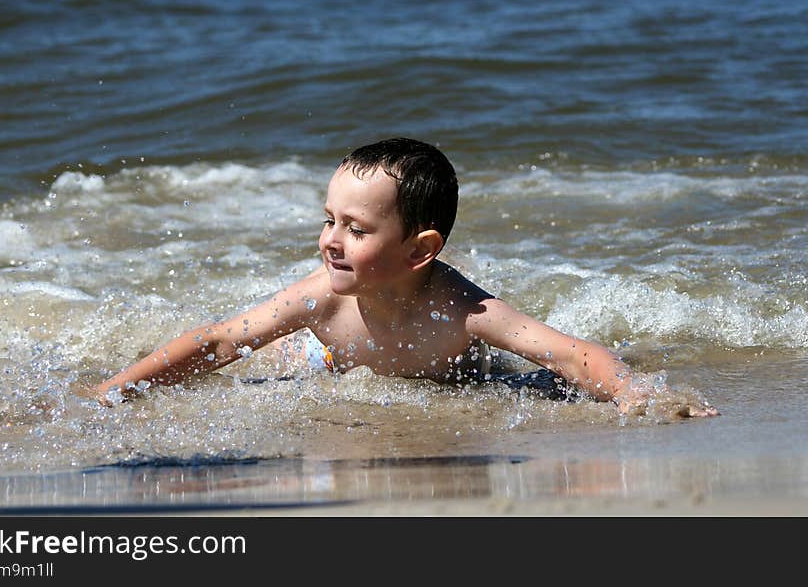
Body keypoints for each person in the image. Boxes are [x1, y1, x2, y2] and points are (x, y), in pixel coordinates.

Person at [90, 138, 718, 417]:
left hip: (456, 373)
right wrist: (115, 390)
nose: (330, 241)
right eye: (328, 219)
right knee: (282, 356)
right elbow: (221, 342)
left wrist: (638, 394)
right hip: (328, 356)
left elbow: (569, 354)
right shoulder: (320, 300)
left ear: (421, 250)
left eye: (356, 230)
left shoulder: (460, 308)